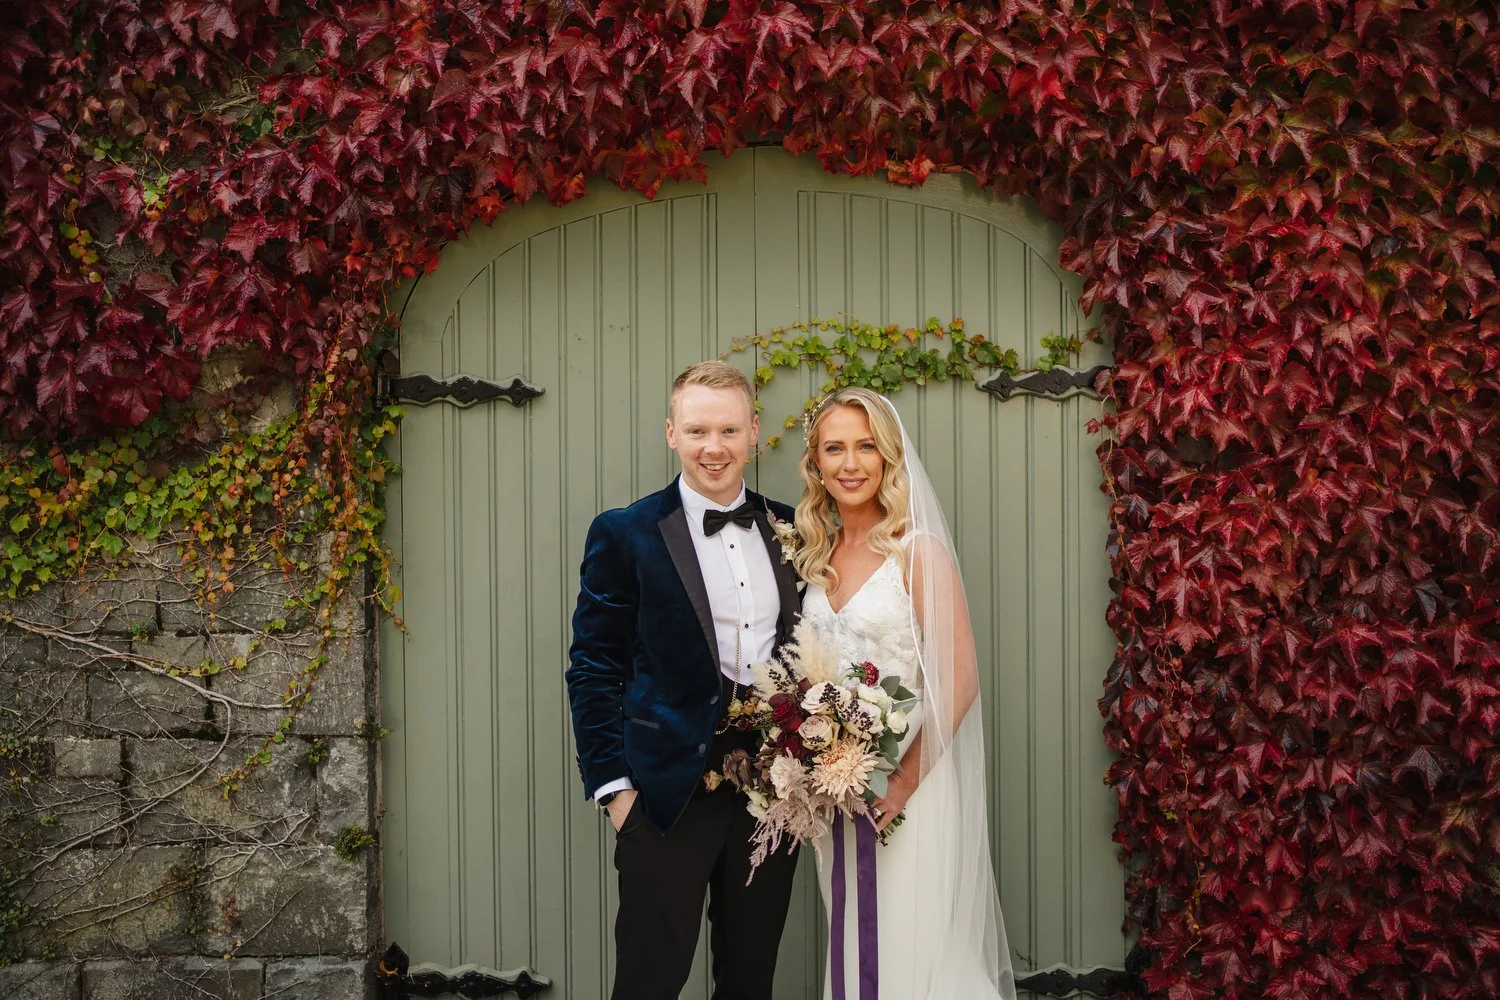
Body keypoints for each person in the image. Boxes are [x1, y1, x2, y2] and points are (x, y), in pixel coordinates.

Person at [566, 360, 801, 1000]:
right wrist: (615, 792)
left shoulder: (793, 529)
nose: (714, 448)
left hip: (769, 798)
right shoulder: (624, 533)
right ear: (671, 432)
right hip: (663, 798)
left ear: (753, 431)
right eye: (697, 431)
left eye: (728, 430)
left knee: (750, 979)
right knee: (649, 981)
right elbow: (593, 666)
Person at [790, 386, 1016, 1000]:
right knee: (856, 940)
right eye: (834, 448)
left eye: (866, 447)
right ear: (816, 463)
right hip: (834, 794)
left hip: (907, 789)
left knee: (908, 941)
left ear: (889, 457)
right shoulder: (816, 557)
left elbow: (959, 678)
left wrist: (902, 782)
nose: (851, 463)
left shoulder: (917, 552)